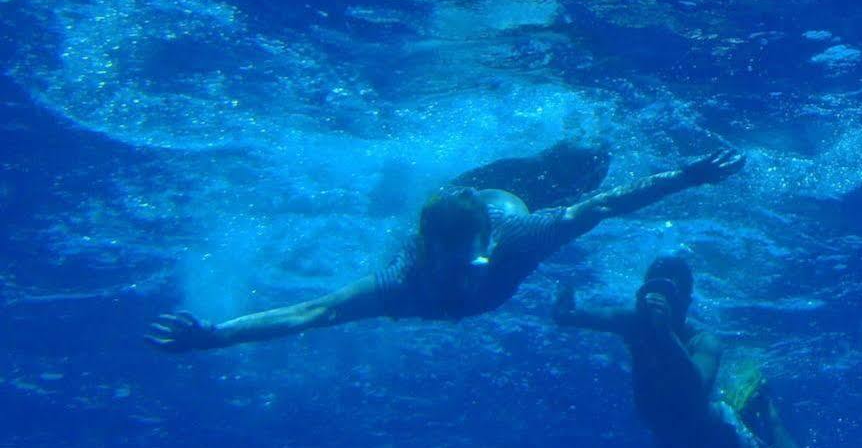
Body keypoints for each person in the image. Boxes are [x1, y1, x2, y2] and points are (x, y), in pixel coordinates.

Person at [147, 143, 742, 351]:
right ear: (429, 257)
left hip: (521, 190)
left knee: (591, 156)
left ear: (487, 245)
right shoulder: (404, 282)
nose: (462, 281)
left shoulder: (519, 239)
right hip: (468, 194)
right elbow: (314, 311)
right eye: (449, 268)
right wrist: (216, 336)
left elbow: (604, 204)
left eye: (471, 264)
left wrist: (689, 176)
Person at [554, 254, 808, 448]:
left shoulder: (703, 341)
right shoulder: (632, 323)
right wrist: (563, 305)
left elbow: (697, 387)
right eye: (652, 292)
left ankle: (767, 410)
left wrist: (665, 334)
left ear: (685, 303)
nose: (658, 303)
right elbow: (572, 316)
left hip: (717, 435)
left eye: (669, 296)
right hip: (668, 437)